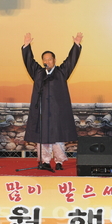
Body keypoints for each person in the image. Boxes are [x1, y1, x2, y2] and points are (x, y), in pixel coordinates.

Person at [22, 32, 83, 171]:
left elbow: (71, 60)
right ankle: (45, 161)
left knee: (57, 137)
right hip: (42, 111)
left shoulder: (61, 72)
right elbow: (29, 62)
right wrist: (26, 46)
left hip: (57, 112)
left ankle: (60, 161)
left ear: (54, 60)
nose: (47, 62)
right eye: (44, 59)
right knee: (43, 137)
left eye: (49, 59)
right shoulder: (38, 73)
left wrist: (76, 45)